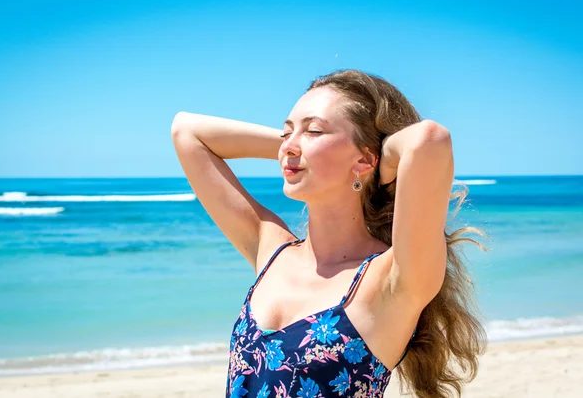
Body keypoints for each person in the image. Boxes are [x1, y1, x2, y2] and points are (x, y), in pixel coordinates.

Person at [171, 69, 487, 397]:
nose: (289, 145)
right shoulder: (271, 250)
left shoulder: (391, 280)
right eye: (286, 133)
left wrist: (373, 157)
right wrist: (300, 149)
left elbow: (429, 140)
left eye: (314, 130)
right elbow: (187, 131)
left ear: (365, 160)